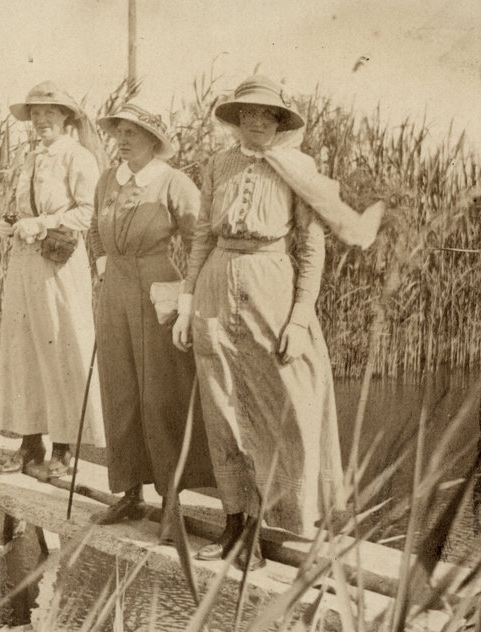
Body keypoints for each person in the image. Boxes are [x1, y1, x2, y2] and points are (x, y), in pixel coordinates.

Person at [173, 75, 382, 565]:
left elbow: (311, 247)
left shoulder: (298, 168)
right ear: (237, 121)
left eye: (266, 115)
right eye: (247, 115)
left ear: (279, 121)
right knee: (222, 407)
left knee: (278, 406)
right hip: (215, 288)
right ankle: (233, 525)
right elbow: (202, 234)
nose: (256, 123)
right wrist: (186, 303)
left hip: (272, 285)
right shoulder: (218, 165)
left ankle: (270, 523)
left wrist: (300, 316)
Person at [87, 101, 215, 528]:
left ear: (154, 141)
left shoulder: (172, 181)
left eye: (132, 133)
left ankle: (172, 498)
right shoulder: (108, 179)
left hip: (157, 287)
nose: (122, 140)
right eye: (118, 132)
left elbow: (201, 237)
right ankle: (128, 492)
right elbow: (93, 229)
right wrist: (103, 263)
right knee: (119, 390)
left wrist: (188, 296)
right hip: (114, 292)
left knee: (160, 395)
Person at [0, 81, 106, 477]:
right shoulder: (32, 158)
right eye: (36, 114)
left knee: (60, 343)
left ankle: (62, 448)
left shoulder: (77, 158)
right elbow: (23, 207)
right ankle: (29, 442)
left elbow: (90, 212)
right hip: (24, 262)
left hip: (59, 261)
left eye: (49, 113)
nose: (41, 120)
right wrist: (12, 224)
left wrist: (42, 224)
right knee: (24, 346)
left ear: (65, 118)